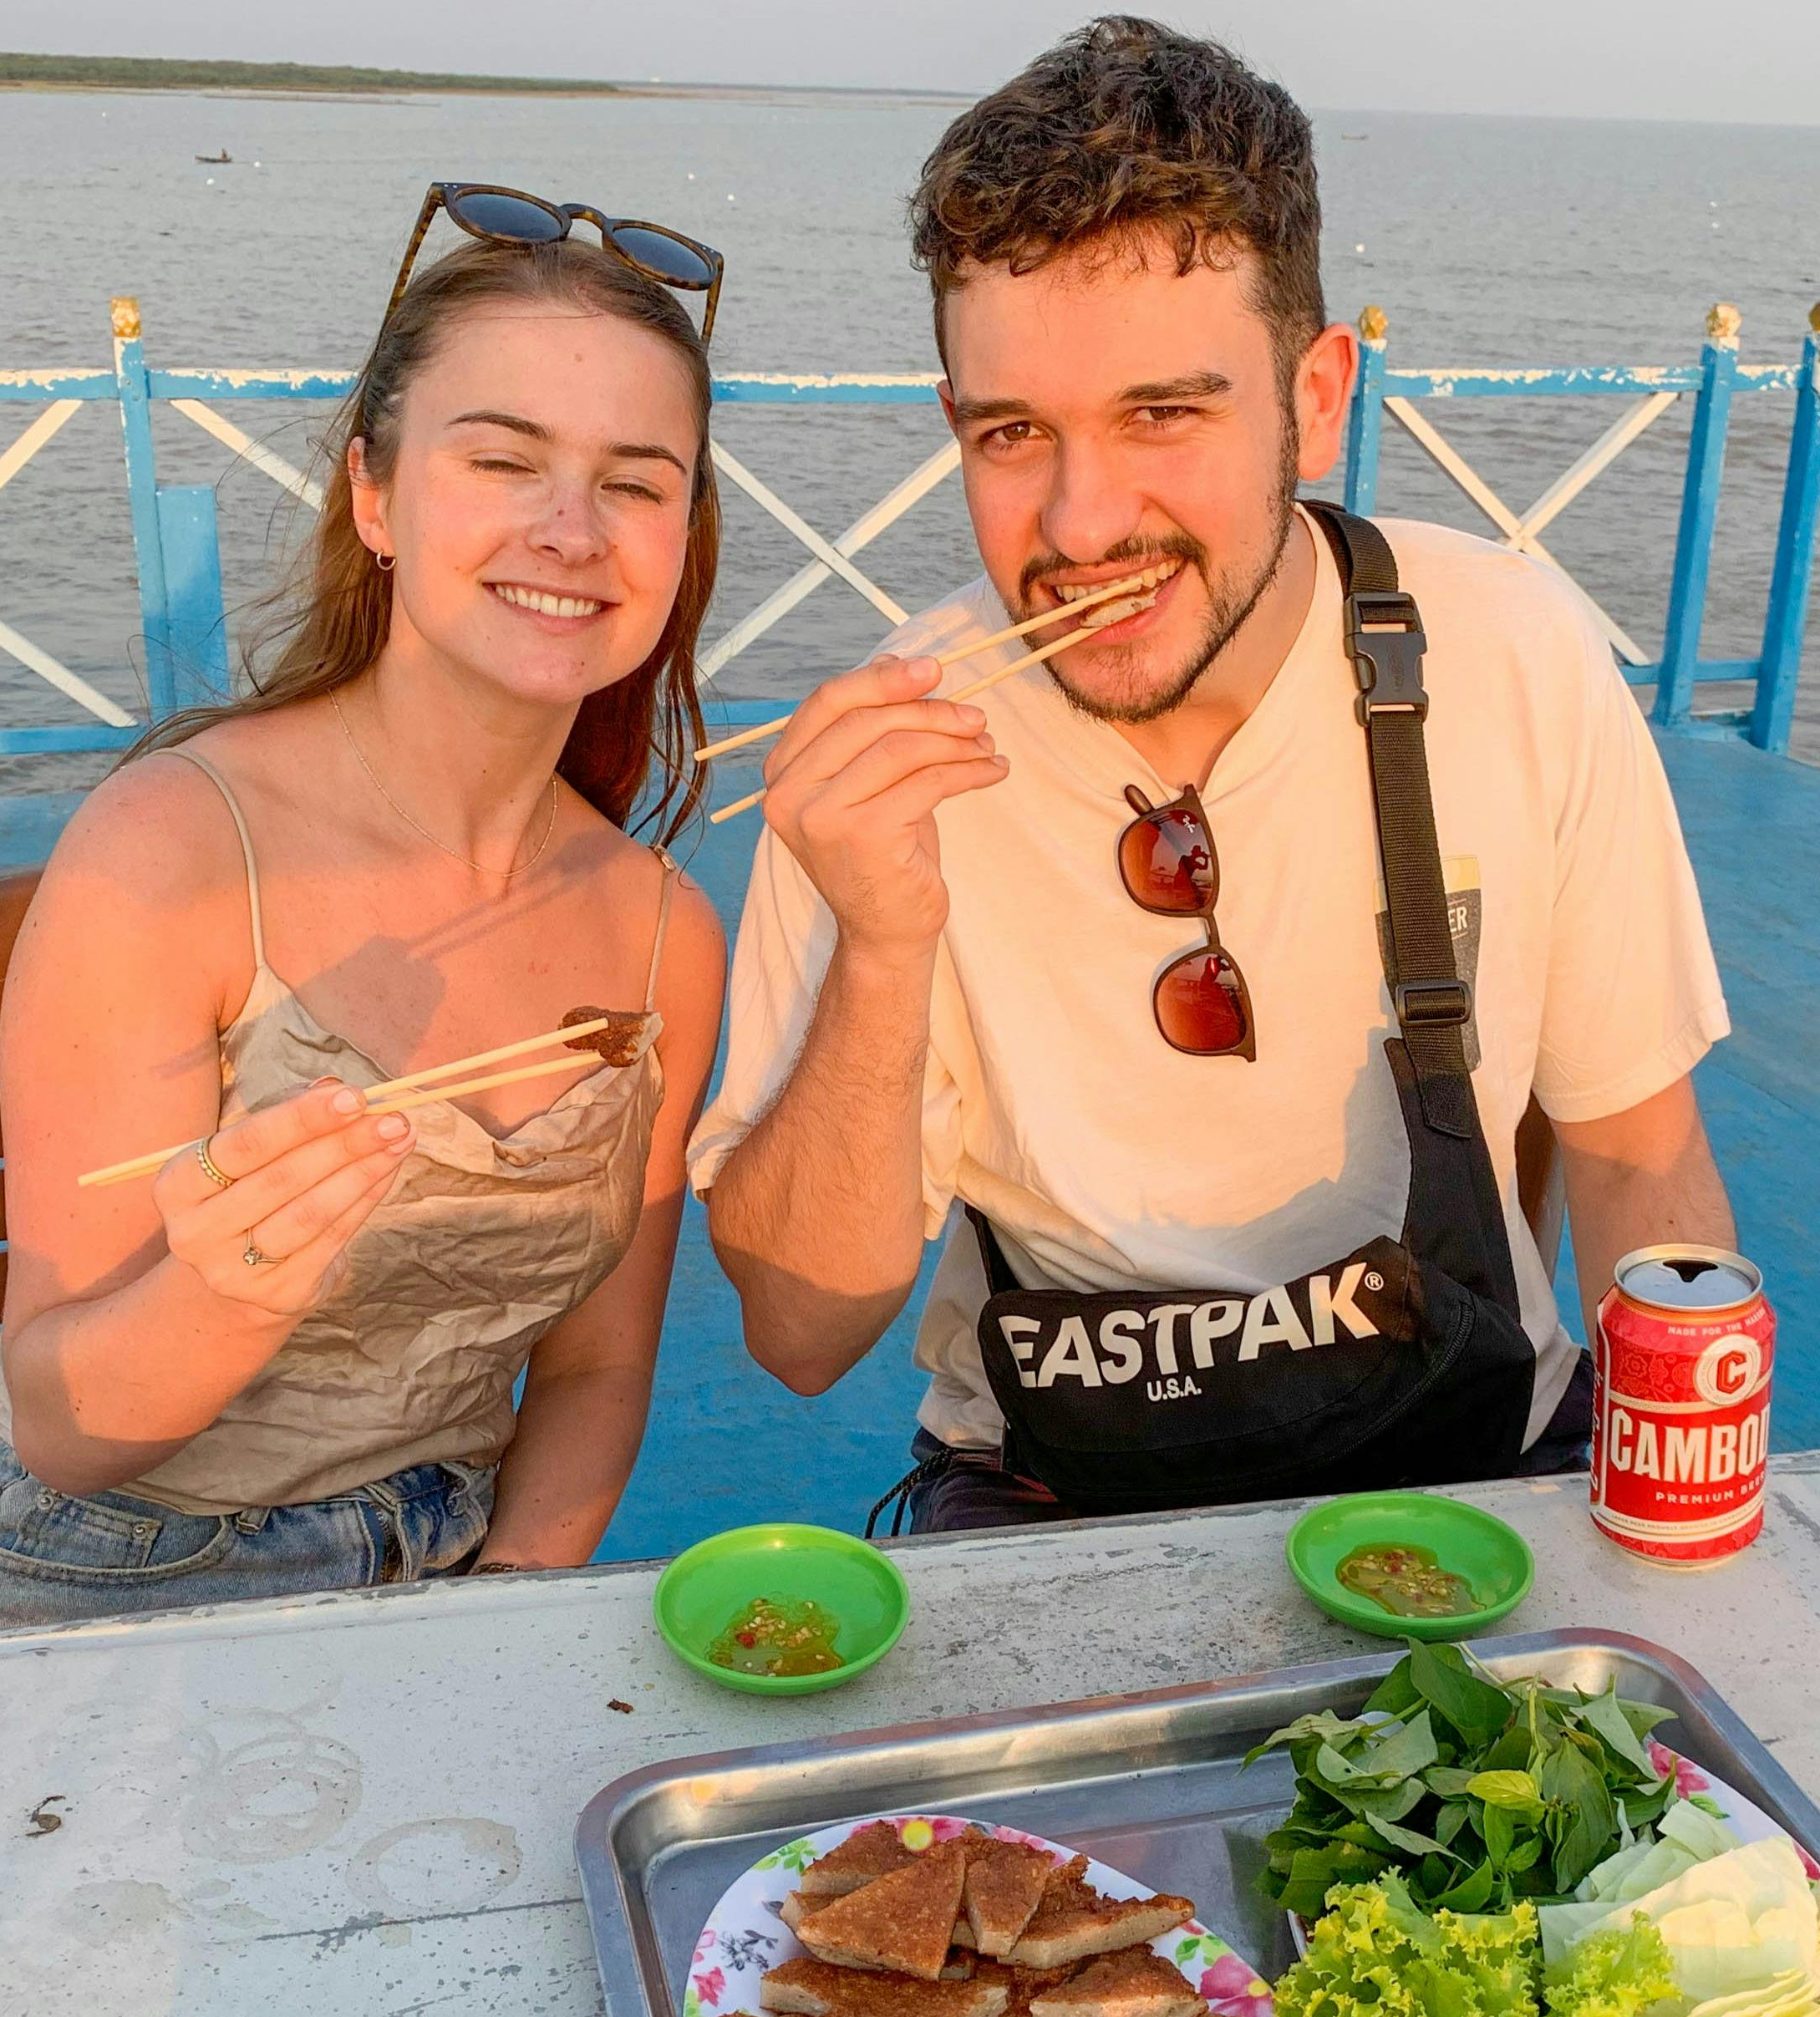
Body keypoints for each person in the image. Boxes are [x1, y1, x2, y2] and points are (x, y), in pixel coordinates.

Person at [692, 19, 1738, 1532]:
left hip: (1471, 1460)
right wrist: (882, 939)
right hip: (1058, 1486)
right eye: (1012, 434)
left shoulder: (1506, 650)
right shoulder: (888, 755)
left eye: (1162, 415)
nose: (1081, 522)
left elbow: (1638, 1154)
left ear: (1315, 398)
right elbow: (798, 1336)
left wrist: (1684, 1534)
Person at [0, 199, 729, 1638]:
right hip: (110, 1568)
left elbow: (594, 1376)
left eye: (635, 484)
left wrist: (505, 1620)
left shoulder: (663, 933)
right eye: (503, 460)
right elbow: (64, 1425)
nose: (570, 530)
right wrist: (225, 1292)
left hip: (459, 1573)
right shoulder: (172, 851)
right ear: (377, 494)